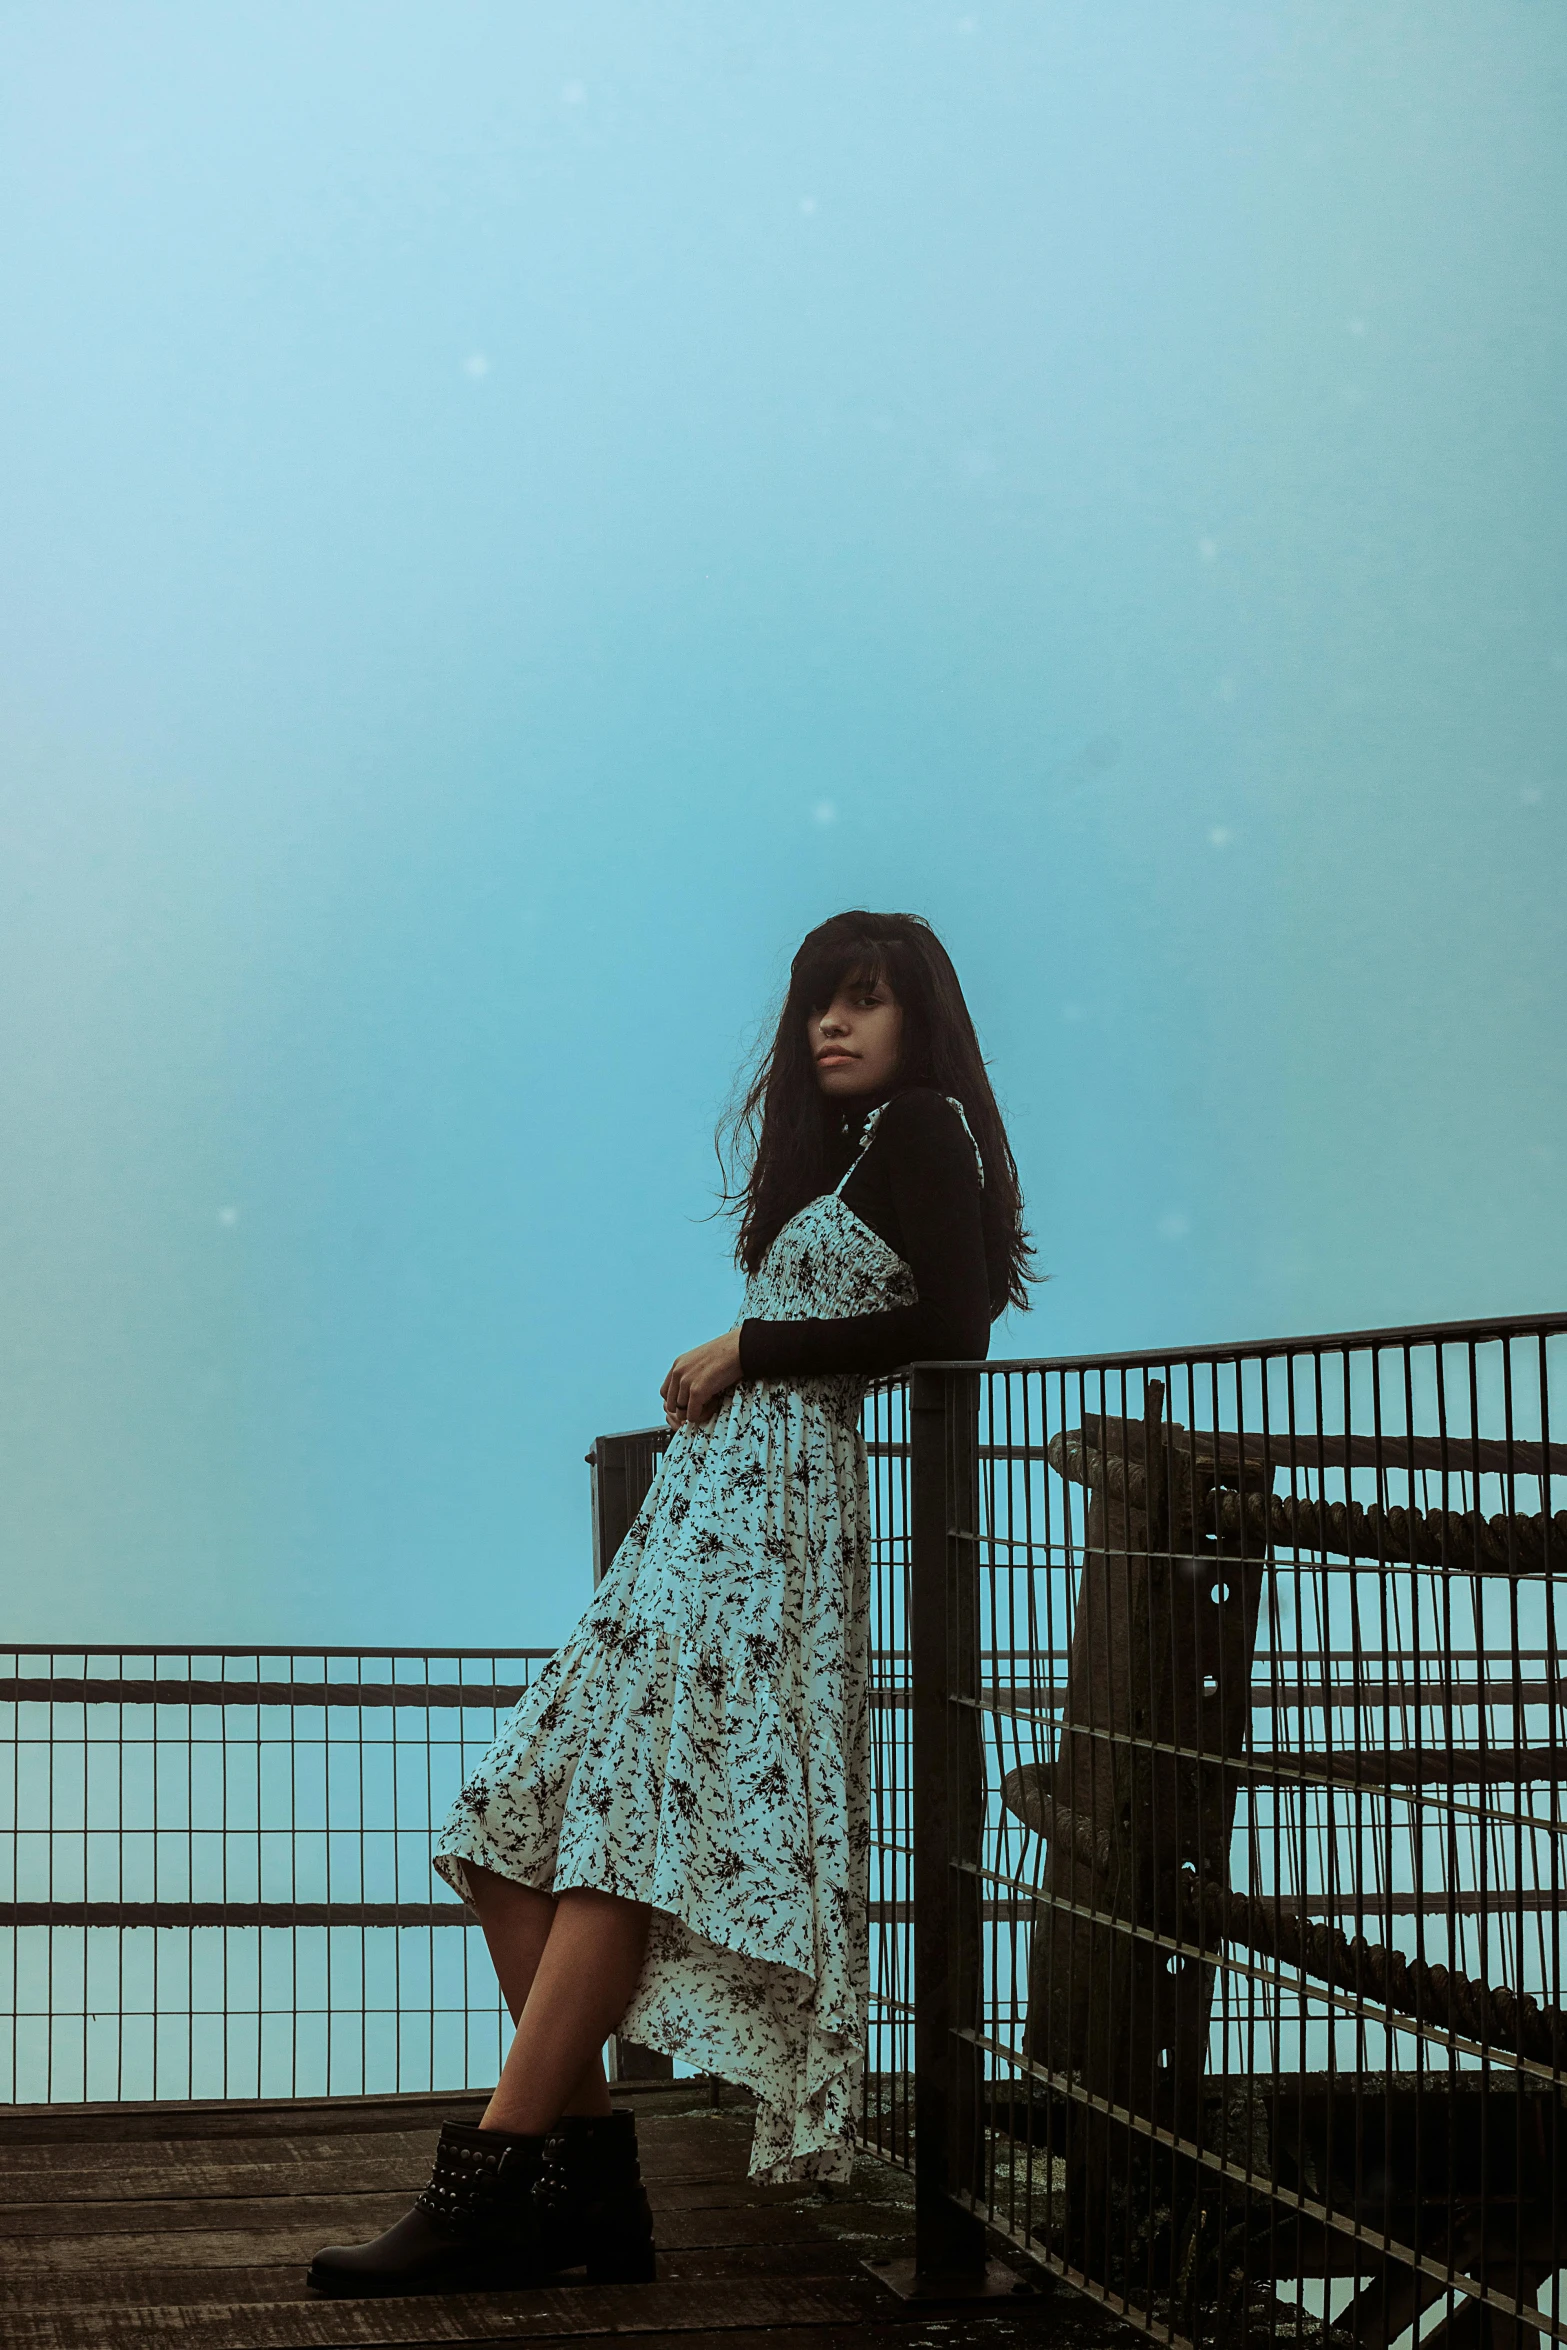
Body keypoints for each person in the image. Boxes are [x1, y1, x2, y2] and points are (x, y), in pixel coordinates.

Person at [307, 909, 1034, 2297]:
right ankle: (587, 2197)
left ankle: (489, 2185)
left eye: (865, 1001)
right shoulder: (864, 1150)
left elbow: (953, 1329)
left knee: (618, 1845)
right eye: (821, 1002)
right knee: (505, 1828)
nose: (833, 1024)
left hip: (766, 1547)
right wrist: (752, 1354)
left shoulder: (928, 1126)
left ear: (916, 1020)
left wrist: (752, 1342)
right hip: (696, 1538)